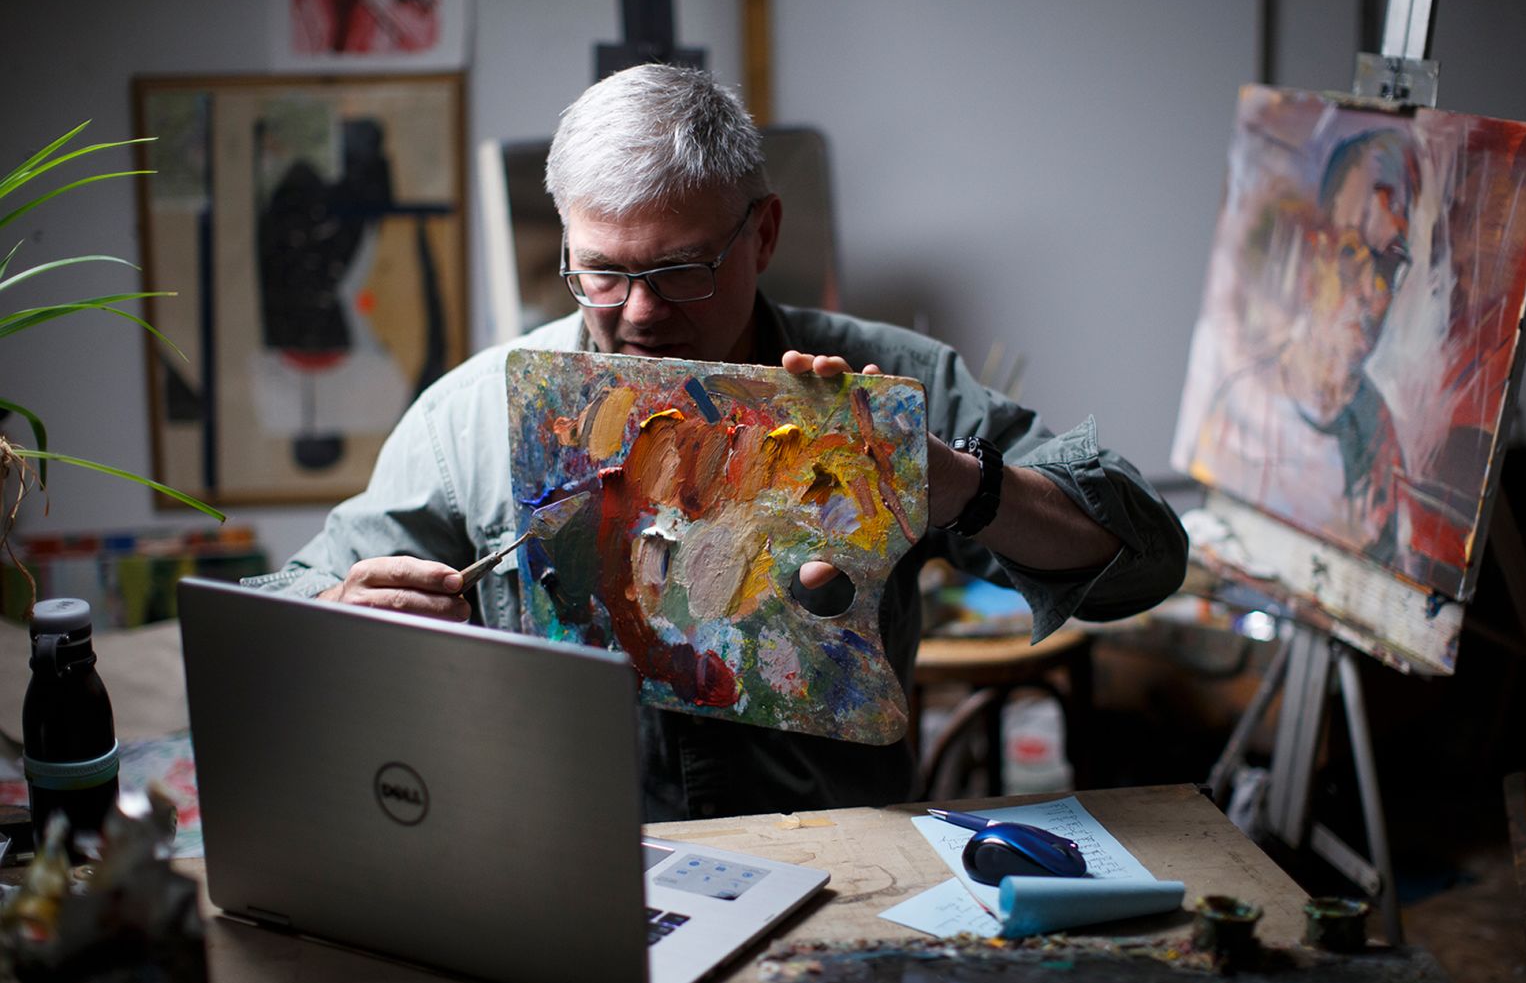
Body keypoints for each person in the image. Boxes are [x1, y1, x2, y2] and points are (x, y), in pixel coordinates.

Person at [247, 64, 1188, 820]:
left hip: (835, 874)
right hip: (564, 872)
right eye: (604, 274)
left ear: (764, 232)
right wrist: (339, 607)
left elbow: (1145, 556)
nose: (642, 312)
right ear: (567, 250)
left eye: (682, 269)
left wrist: (959, 484)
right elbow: (270, 617)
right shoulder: (473, 416)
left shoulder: (888, 384)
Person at [1187, 128, 1419, 565]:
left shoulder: (1379, 435)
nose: (1372, 292)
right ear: (1317, 257)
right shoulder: (1241, 409)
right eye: (1353, 254)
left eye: (1389, 263)